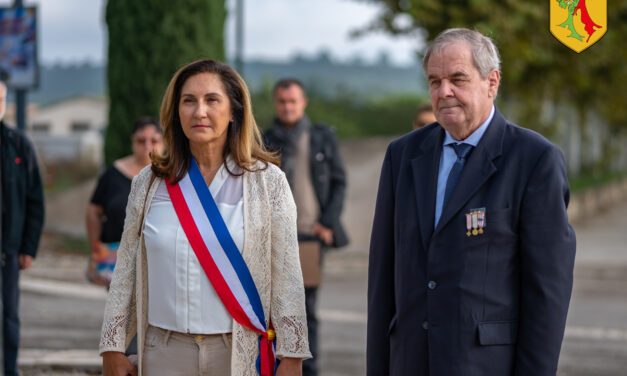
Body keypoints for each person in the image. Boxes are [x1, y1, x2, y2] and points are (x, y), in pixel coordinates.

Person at [367, 28, 576, 376]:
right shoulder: (402, 156)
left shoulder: (535, 160)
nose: (444, 91)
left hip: (486, 365)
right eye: (434, 81)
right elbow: (382, 282)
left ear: (491, 82)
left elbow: (547, 294)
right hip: (411, 363)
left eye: (457, 79)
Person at [99, 59, 311, 376]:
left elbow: (288, 278)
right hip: (164, 352)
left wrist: (292, 357)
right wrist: (112, 347)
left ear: (234, 111)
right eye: (189, 101)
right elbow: (126, 269)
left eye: (212, 100)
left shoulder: (268, 183)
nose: (199, 112)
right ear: (176, 112)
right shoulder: (149, 182)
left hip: (238, 353)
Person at [263, 78, 348, 376]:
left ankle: (308, 368)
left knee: (305, 307)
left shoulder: (321, 136)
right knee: (271, 307)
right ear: (276, 103)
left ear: (303, 103)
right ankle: (273, 364)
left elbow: (339, 181)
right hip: (272, 236)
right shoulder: (263, 139)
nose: (287, 107)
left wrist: (329, 222)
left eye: (293, 101)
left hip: (309, 235)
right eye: (282, 101)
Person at [86, 116, 163, 288]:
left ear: (164, 143)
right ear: (133, 141)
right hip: (117, 261)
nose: (147, 146)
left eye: (154, 140)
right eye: (141, 141)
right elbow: (93, 211)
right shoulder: (113, 173)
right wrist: (96, 248)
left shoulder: (171, 175)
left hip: (158, 258)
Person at [0, 81, 45, 376]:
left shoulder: (18, 145)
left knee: (9, 317)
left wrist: (28, 247)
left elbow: (35, 199)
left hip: (9, 249)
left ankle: (10, 371)